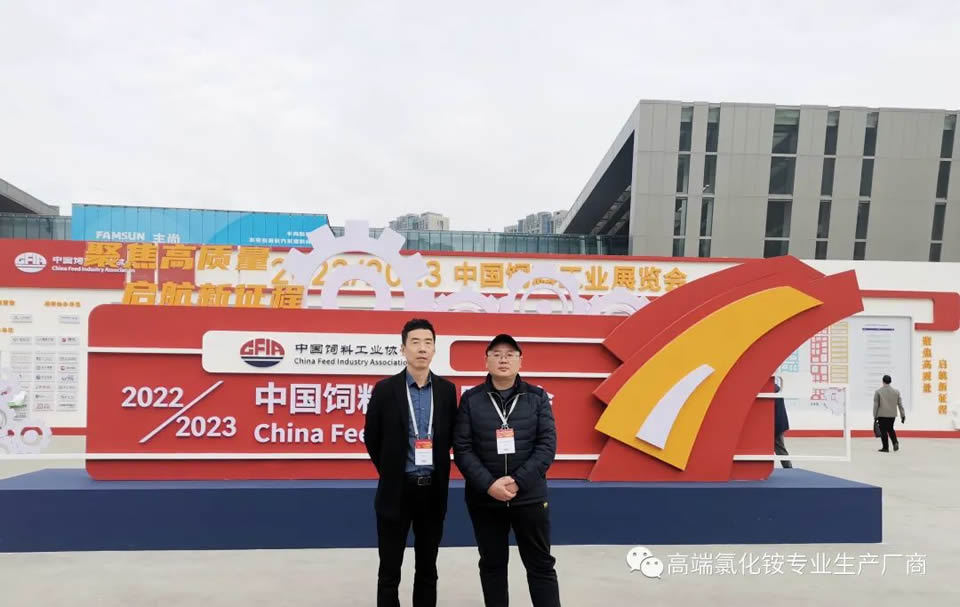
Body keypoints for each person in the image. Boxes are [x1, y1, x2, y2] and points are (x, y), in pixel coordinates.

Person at [453, 334, 561, 607]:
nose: (503, 359)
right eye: (497, 354)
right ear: (486, 361)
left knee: (540, 564)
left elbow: (547, 446)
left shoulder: (537, 397)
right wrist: (490, 485)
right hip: (485, 499)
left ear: (520, 361)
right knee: (492, 564)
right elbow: (462, 448)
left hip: (529, 497)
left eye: (510, 354)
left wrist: (518, 481)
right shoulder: (471, 399)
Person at [363, 318, 458, 607]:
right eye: (415, 342)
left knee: (428, 567)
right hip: (396, 491)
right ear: (403, 349)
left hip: (432, 491)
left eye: (428, 343)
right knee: (390, 569)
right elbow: (372, 437)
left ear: (434, 349)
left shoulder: (446, 390)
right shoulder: (385, 389)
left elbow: (450, 436)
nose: (422, 348)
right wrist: (392, 471)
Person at [873, 374, 906, 452]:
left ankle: (885, 447)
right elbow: (900, 405)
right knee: (890, 429)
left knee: (883, 430)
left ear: (883, 381)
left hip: (882, 414)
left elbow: (876, 405)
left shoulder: (878, 392)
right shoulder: (896, 392)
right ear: (890, 381)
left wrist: (875, 416)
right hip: (892, 415)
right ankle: (895, 442)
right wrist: (903, 415)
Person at [773, 376, 793, 468]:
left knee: (780, 448)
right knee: (780, 448)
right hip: (778, 423)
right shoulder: (775, 390)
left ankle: (788, 468)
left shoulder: (771, 391)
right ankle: (789, 468)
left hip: (776, 424)